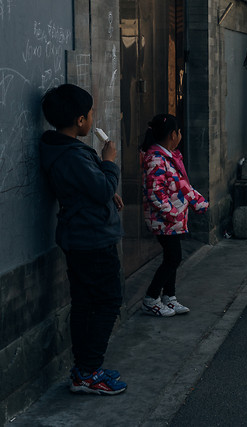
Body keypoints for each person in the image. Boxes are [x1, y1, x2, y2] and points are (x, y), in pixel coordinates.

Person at [40, 84, 127, 395]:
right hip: (92, 240)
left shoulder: (60, 149)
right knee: (108, 301)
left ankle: (83, 370)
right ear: (80, 121)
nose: (93, 119)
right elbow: (99, 188)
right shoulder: (73, 155)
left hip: (79, 236)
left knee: (84, 303)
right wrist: (109, 162)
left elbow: (91, 190)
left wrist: (106, 191)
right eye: (90, 114)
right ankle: (90, 371)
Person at [140, 114, 209, 316]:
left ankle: (169, 297)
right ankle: (151, 298)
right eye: (179, 131)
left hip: (170, 220)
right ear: (173, 135)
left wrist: (198, 202)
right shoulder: (156, 159)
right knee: (173, 258)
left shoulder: (168, 157)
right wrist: (173, 214)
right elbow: (154, 193)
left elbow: (182, 187)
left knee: (172, 257)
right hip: (164, 221)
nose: (180, 135)